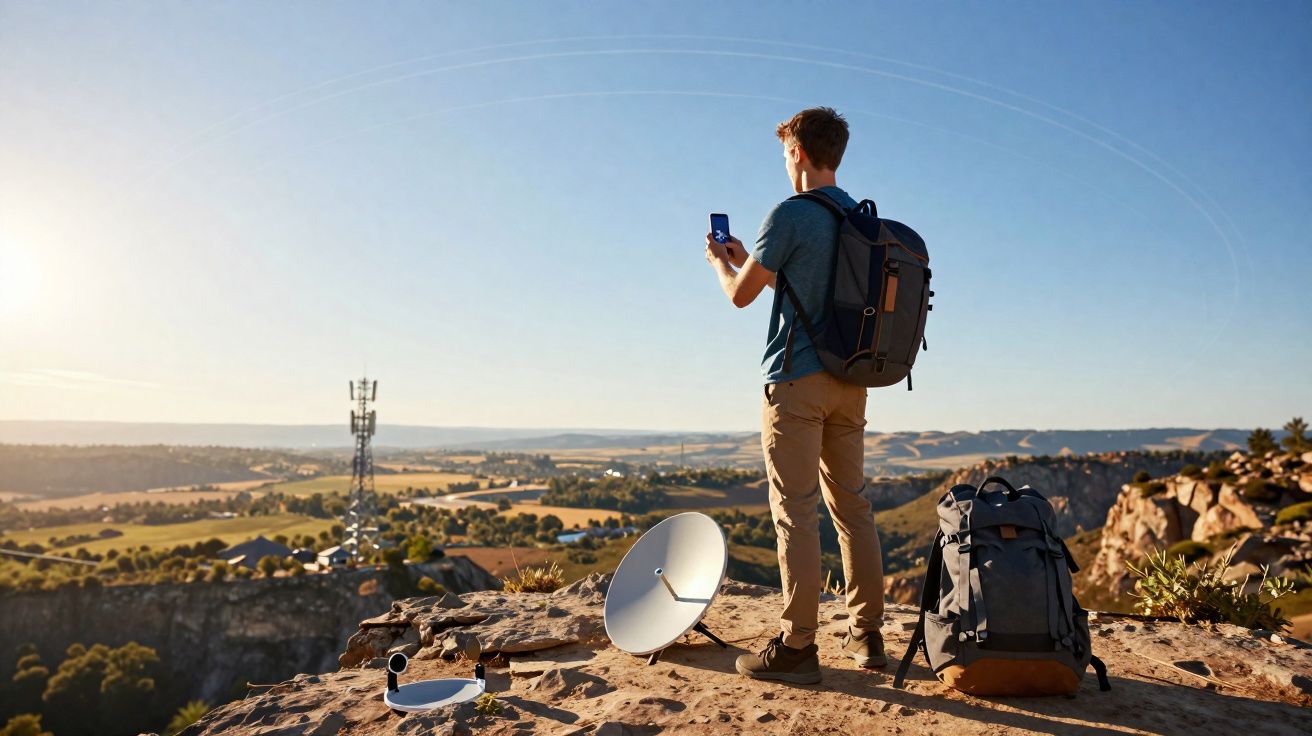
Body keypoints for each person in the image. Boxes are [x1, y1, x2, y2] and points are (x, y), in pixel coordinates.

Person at [704, 107, 885, 685]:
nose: (785, 165)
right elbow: (807, 287)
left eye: (786, 154)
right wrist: (752, 259)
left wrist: (719, 263)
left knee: (796, 514)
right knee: (853, 508)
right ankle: (868, 634)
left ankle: (798, 645)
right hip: (852, 382)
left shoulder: (791, 214)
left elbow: (739, 296)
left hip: (795, 380)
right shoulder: (858, 218)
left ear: (800, 154)